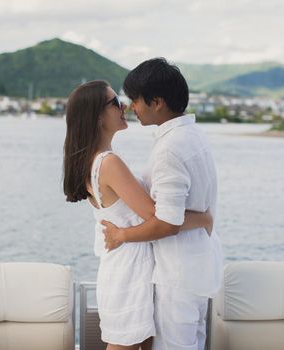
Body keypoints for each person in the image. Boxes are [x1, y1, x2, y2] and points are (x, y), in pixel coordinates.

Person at [62, 80, 213, 350]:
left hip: (129, 266)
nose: (124, 106)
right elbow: (158, 217)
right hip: (128, 271)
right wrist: (203, 219)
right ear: (97, 116)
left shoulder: (97, 160)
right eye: (114, 103)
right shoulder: (108, 163)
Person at [102, 58, 223, 350]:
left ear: (156, 102)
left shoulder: (170, 148)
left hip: (177, 274)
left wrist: (121, 235)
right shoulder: (192, 135)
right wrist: (204, 219)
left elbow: (167, 223)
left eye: (135, 100)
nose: (131, 107)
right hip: (198, 265)